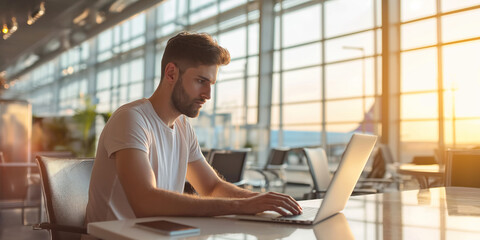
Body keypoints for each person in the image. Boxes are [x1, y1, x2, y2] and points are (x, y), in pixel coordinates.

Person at [84, 32, 302, 227]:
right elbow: (145, 202)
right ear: (171, 74)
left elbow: (211, 186)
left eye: (211, 84)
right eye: (200, 81)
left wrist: (260, 201)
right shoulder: (131, 119)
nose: (208, 94)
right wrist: (240, 206)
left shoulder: (182, 127)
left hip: (156, 234)